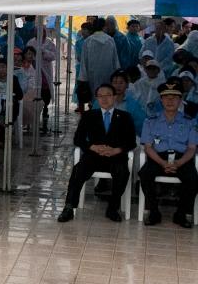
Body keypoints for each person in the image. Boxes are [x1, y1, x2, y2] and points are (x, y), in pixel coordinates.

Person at [57, 83, 138, 223]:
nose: (104, 99)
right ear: (96, 99)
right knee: (78, 170)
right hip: (94, 156)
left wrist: (116, 150)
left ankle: (112, 208)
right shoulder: (89, 115)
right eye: (100, 96)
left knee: (122, 172)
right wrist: (92, 147)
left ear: (114, 97)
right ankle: (69, 207)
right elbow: (78, 139)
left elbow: (131, 142)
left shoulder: (125, 117)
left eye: (108, 95)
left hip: (116, 157)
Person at [138, 80, 197, 228]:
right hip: (158, 158)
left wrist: (179, 163)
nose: (170, 100)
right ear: (161, 100)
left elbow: (191, 148)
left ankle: (181, 214)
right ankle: (154, 212)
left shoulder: (190, 122)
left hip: (181, 158)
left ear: (180, 100)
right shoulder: (150, 121)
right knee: (144, 174)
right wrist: (162, 163)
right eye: (166, 97)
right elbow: (148, 147)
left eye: (174, 97)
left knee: (193, 179)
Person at [79, 18, 120, 99]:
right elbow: (115, 61)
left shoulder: (88, 41)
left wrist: (83, 78)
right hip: (108, 75)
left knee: (95, 97)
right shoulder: (110, 40)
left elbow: (83, 62)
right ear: (104, 27)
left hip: (92, 75)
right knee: (106, 97)